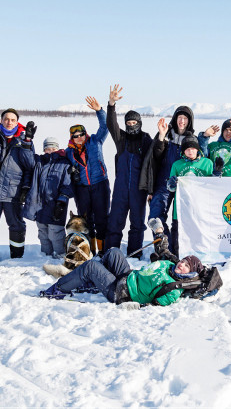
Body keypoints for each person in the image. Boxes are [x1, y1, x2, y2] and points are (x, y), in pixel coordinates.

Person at [40, 242, 204, 307]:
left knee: (91, 266)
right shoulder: (170, 265)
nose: (181, 264)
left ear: (190, 274)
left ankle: (57, 290)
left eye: (186, 266)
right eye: (182, 261)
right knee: (113, 252)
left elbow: (156, 306)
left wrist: (137, 305)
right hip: (129, 277)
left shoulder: (174, 289)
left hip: (123, 292)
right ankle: (92, 282)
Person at [104, 84, 152, 258]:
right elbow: (111, 124)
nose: (131, 126)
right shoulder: (121, 139)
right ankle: (111, 253)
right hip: (121, 188)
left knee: (137, 224)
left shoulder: (146, 139)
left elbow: (153, 164)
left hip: (139, 189)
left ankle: (134, 254)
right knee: (115, 223)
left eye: (134, 123)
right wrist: (111, 104)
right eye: (128, 123)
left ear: (139, 123)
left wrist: (150, 190)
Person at [139, 105, 195, 244]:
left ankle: (178, 250)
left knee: (182, 221)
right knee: (156, 217)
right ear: (175, 119)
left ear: (190, 121)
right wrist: (162, 136)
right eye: (179, 118)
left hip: (184, 187)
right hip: (163, 184)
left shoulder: (192, 140)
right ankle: (164, 249)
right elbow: (155, 157)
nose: (182, 121)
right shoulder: (166, 135)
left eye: (185, 118)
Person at [66, 97, 110, 255]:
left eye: (81, 134)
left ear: (85, 134)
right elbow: (59, 161)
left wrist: (99, 111)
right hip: (82, 189)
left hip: (100, 185)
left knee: (102, 219)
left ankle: (103, 251)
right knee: (86, 220)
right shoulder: (69, 152)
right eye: (76, 136)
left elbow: (105, 126)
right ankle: (90, 250)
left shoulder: (95, 142)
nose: (79, 138)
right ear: (72, 138)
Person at [23, 137, 74, 258]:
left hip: (55, 205)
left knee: (55, 233)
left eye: (53, 148)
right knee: (43, 233)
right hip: (39, 206)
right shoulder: (39, 162)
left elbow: (67, 185)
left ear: (57, 149)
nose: (50, 151)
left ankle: (61, 256)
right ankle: (46, 256)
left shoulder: (64, 163)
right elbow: (27, 157)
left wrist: (61, 202)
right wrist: (27, 141)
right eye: (47, 149)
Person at [166, 133, 214, 256]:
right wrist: (171, 183)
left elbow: (214, 185)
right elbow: (171, 188)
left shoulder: (207, 163)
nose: (190, 151)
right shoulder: (177, 165)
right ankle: (176, 256)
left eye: (193, 148)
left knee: (200, 234)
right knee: (178, 234)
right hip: (182, 209)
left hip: (201, 208)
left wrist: (217, 173)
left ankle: (203, 256)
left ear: (197, 149)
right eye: (187, 149)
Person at [0, 109, 36, 258]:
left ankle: (16, 257)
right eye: (6, 119)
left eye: (12, 120)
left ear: (17, 122)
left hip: (13, 191)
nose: (9, 122)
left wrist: (25, 188)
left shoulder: (24, 140)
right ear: (1, 121)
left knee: (16, 225)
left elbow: (30, 166)